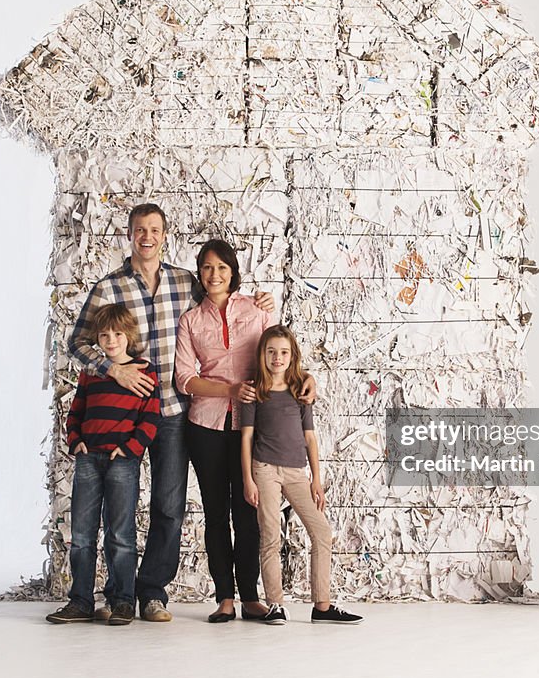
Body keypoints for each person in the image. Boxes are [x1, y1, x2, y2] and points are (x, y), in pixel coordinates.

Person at [68, 203, 276, 623]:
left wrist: (261, 298)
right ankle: (119, 595)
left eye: (155, 229)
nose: (147, 236)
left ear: (165, 235)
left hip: (173, 413)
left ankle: (152, 593)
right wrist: (116, 371)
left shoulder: (185, 283)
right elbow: (77, 343)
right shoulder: (108, 287)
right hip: (121, 414)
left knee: (169, 506)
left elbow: (224, 303)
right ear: (129, 234)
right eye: (140, 229)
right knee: (119, 510)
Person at [174, 239, 273, 622]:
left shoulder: (256, 310)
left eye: (221, 268)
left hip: (251, 425)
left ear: (233, 272)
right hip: (206, 427)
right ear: (200, 273)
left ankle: (250, 595)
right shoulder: (191, 321)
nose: (214, 275)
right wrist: (228, 390)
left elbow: (278, 356)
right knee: (216, 513)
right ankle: (225, 598)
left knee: (248, 511)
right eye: (206, 268)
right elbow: (185, 378)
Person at [47, 303, 161, 626]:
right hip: (89, 459)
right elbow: (76, 412)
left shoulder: (145, 371)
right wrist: (76, 441)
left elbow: (150, 417)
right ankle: (80, 601)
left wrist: (130, 449)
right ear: (97, 338)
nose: (111, 340)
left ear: (129, 336)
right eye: (105, 335)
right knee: (82, 534)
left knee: (120, 533)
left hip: (122, 461)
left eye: (117, 334)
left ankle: (122, 600)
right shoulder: (92, 372)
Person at [241, 326, 362, 625]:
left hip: (297, 472)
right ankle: (275, 605)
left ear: (292, 355)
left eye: (283, 352)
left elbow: (310, 439)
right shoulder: (254, 391)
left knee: (321, 531)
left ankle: (322, 606)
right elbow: (246, 438)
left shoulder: (300, 391)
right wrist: (248, 479)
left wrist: (316, 480)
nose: (277, 358)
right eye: (271, 352)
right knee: (270, 535)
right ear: (263, 355)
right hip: (264, 470)